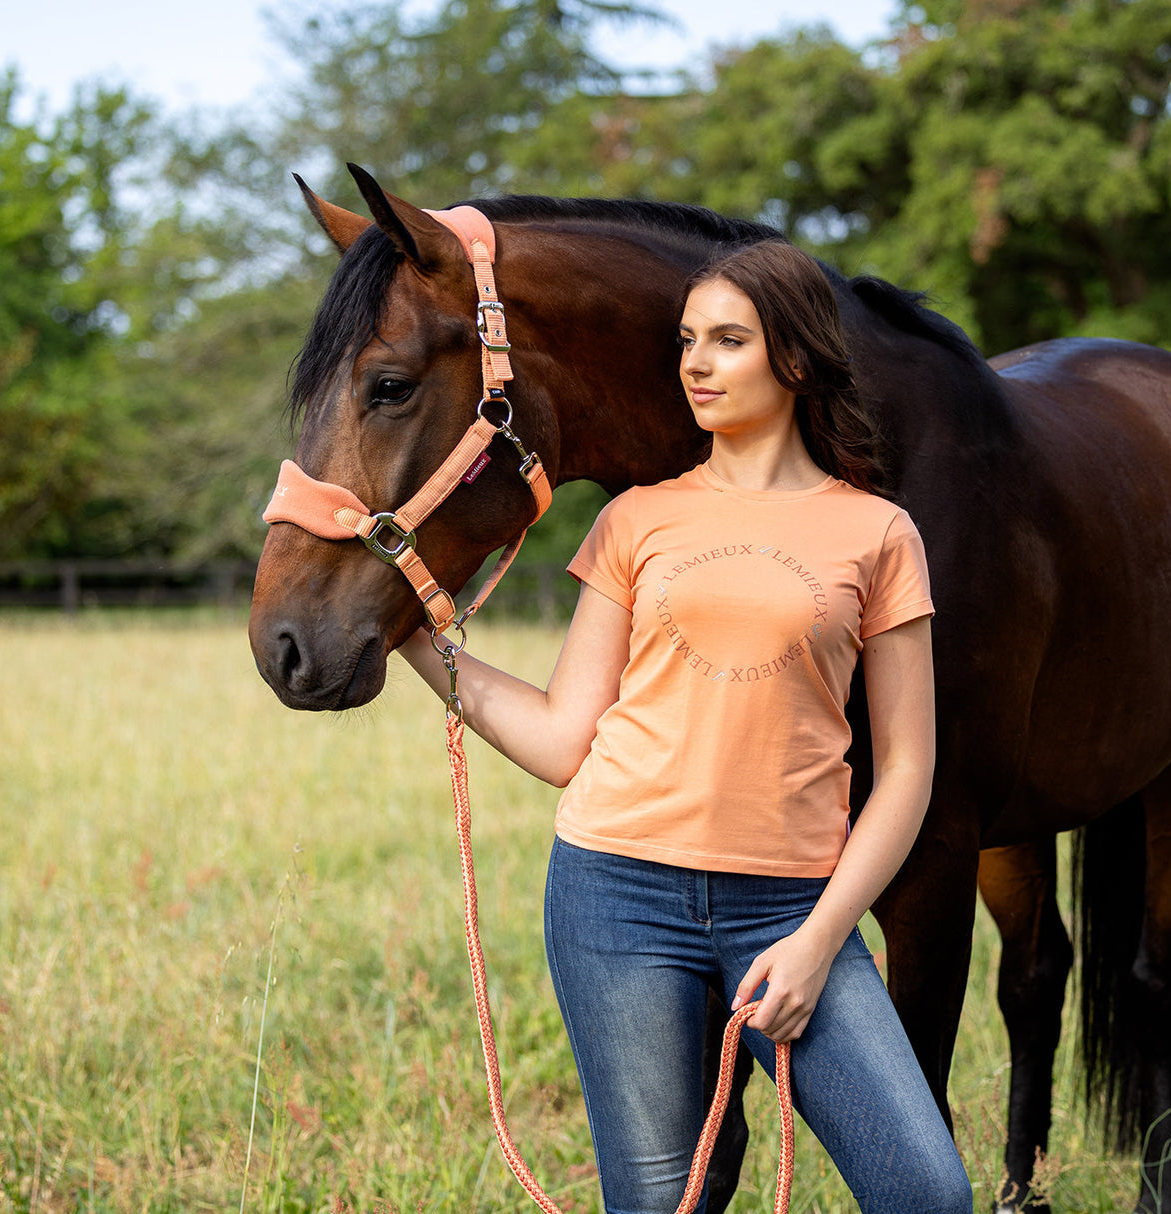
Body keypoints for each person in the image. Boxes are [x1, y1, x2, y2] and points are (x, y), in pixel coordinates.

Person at [398, 240, 973, 1214]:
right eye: (687, 340)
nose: (695, 363)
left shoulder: (877, 532)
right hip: (615, 893)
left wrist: (819, 939)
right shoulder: (635, 519)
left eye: (727, 340)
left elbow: (909, 768)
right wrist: (421, 644)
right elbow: (564, 739)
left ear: (795, 357)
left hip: (793, 904)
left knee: (927, 1191)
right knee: (664, 1203)